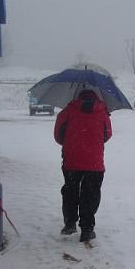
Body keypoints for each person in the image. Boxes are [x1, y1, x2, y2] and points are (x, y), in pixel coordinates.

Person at [53, 89, 112, 242]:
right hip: (94, 162)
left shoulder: (67, 111)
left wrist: (71, 143)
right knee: (90, 194)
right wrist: (93, 143)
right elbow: (107, 134)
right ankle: (87, 229)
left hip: (71, 161)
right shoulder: (102, 112)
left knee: (70, 191)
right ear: (96, 98)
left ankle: (70, 223)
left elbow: (58, 135)